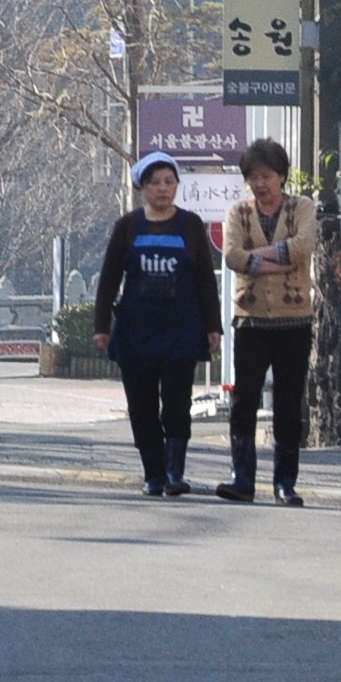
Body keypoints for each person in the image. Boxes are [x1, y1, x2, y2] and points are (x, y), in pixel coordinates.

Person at [91, 151, 220, 497]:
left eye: (169, 182)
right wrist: (101, 326)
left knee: (177, 403)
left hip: (181, 331)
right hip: (137, 331)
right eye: (155, 183)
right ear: (143, 187)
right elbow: (109, 279)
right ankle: (153, 473)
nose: (163, 189)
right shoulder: (128, 227)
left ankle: (175, 472)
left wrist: (213, 327)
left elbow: (206, 280)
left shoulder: (191, 225)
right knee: (142, 406)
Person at [216, 137, 320, 505]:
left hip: (294, 320)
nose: (260, 184)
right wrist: (277, 259)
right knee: (244, 400)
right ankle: (242, 477)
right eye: (253, 177)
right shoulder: (238, 213)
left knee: (289, 402)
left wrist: (254, 258)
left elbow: (303, 246)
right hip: (250, 320)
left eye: (267, 176)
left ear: (282, 176)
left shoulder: (301, 207)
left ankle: (284, 482)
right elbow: (231, 254)